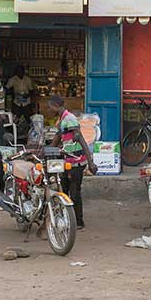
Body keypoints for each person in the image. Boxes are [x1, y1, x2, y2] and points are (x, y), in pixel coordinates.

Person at [48, 96, 98, 230]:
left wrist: (90, 162)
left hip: (76, 161)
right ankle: (67, 218)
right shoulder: (62, 119)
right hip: (67, 160)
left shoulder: (69, 118)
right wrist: (46, 152)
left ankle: (79, 221)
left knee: (74, 192)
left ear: (56, 105)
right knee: (64, 190)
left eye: (50, 107)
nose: (49, 109)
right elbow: (58, 137)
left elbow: (80, 138)